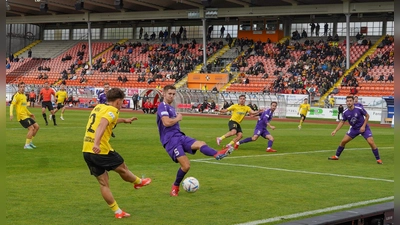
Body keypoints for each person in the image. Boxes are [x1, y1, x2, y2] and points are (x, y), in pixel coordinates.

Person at [82, 87, 152, 219]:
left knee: (103, 183)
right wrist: (97, 143)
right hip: (101, 150)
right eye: (122, 102)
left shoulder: (98, 107)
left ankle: (117, 211)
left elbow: (106, 119)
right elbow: (103, 124)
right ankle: (138, 182)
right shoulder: (113, 110)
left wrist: (124, 120)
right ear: (118, 101)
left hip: (87, 150)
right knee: (123, 168)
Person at [156, 85, 234, 197]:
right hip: (170, 141)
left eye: (174, 94)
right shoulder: (162, 106)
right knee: (186, 166)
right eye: (170, 94)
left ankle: (217, 154)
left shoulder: (171, 108)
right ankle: (175, 187)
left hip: (179, 136)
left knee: (201, 143)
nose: (172, 96)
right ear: (163, 93)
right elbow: (166, 123)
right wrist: (178, 118)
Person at [328, 96, 382, 164]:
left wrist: (363, 126)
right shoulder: (345, 112)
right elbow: (342, 122)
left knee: (371, 142)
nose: (349, 102)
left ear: (353, 102)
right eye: (347, 101)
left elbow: (367, 116)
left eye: (350, 101)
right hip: (354, 129)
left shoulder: (359, 109)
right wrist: (335, 130)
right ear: (346, 102)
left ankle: (378, 159)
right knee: (343, 141)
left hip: (364, 128)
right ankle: (336, 156)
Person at [10, 82, 40, 149]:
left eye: (23, 87)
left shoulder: (24, 96)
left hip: (26, 116)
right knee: (31, 128)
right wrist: (11, 114)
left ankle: (30, 142)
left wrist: (30, 114)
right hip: (21, 117)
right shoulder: (17, 96)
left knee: (37, 127)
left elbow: (24, 107)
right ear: (18, 88)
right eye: (21, 87)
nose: (22, 88)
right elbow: (12, 105)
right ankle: (26, 145)